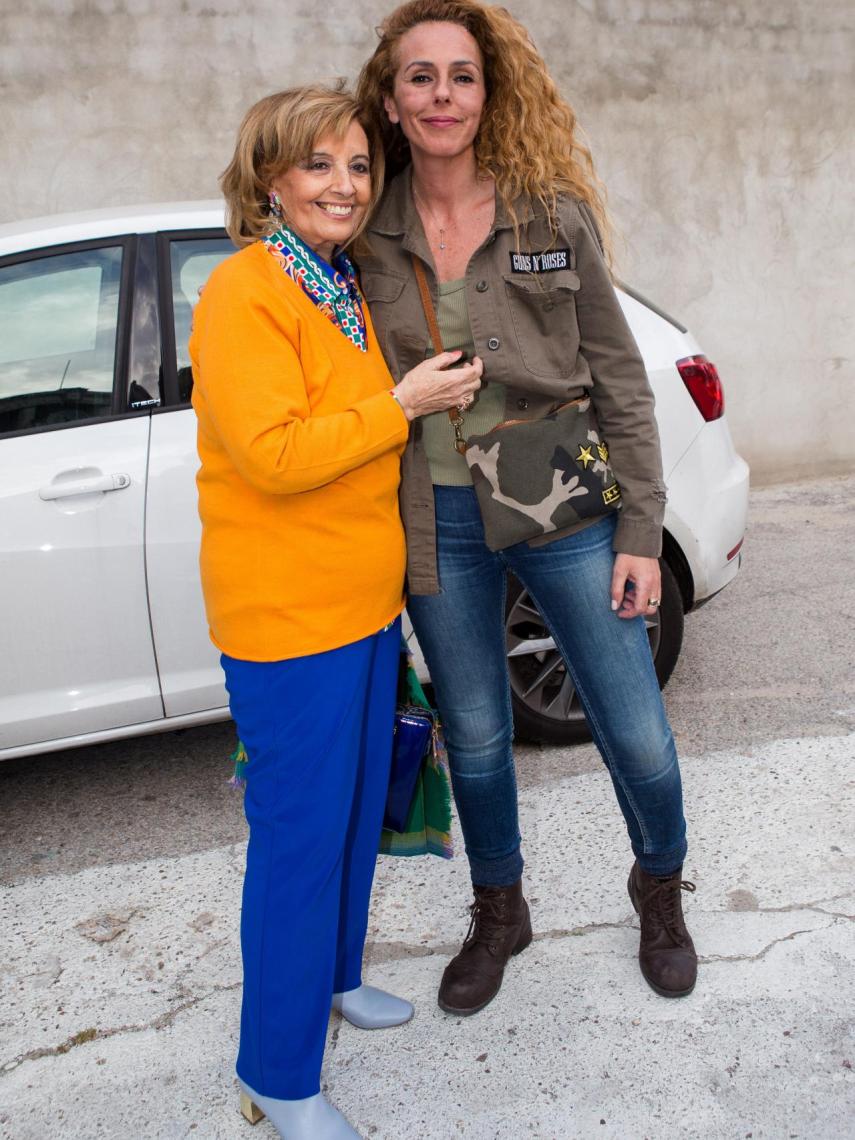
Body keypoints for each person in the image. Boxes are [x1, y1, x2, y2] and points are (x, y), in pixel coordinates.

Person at [356, 0, 698, 1017]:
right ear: (391, 97)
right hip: (439, 519)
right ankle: (499, 908)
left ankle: (661, 891)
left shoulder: (551, 213)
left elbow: (619, 380)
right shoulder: (364, 231)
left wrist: (641, 532)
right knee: (475, 731)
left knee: (633, 726)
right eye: (421, 77)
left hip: (566, 509)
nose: (442, 95)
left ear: (487, 92)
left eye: (461, 76)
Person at [189, 85, 481, 1139]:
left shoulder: (338, 285)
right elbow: (272, 456)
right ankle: (277, 1071)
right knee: (300, 839)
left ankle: (337, 977)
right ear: (271, 179)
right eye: (319, 166)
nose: (345, 186)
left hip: (360, 606)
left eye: (359, 167)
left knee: (362, 808)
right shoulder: (244, 292)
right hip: (289, 618)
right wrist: (400, 405)